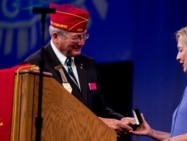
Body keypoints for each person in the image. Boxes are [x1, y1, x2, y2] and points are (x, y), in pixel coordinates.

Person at [23, 3, 135, 140]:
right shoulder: (35, 65)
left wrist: (121, 120)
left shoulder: (88, 64)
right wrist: (99, 121)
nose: (82, 43)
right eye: (76, 37)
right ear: (55, 36)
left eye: (84, 36)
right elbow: (47, 115)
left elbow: (98, 108)